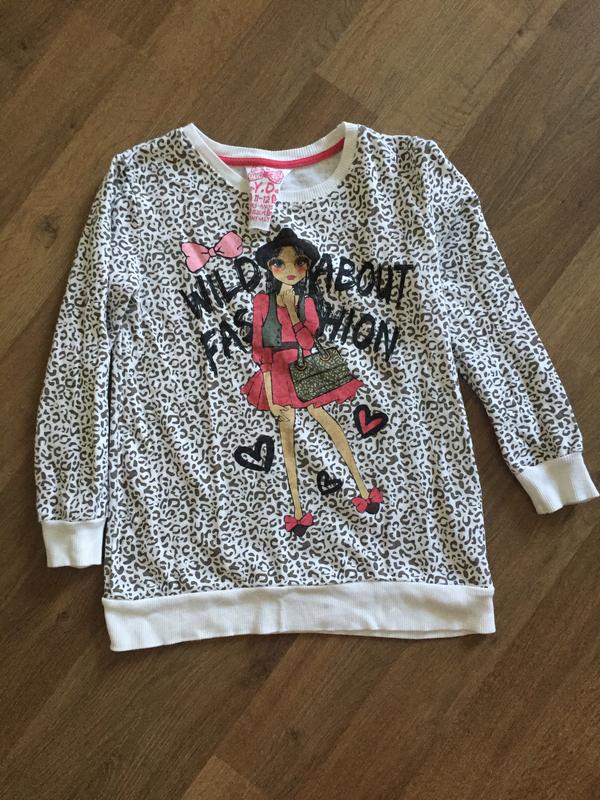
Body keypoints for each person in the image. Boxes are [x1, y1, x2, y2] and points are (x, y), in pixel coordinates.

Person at [240, 227, 383, 535]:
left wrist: (293, 312)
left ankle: (361, 488)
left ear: (306, 266)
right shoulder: (262, 301)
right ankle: (297, 510)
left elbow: (308, 341)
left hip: (305, 368)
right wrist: (269, 389)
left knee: (328, 422)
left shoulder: (306, 303)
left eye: (298, 262)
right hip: (276, 373)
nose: (289, 270)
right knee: (287, 436)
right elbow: (260, 347)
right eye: (279, 263)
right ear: (270, 267)